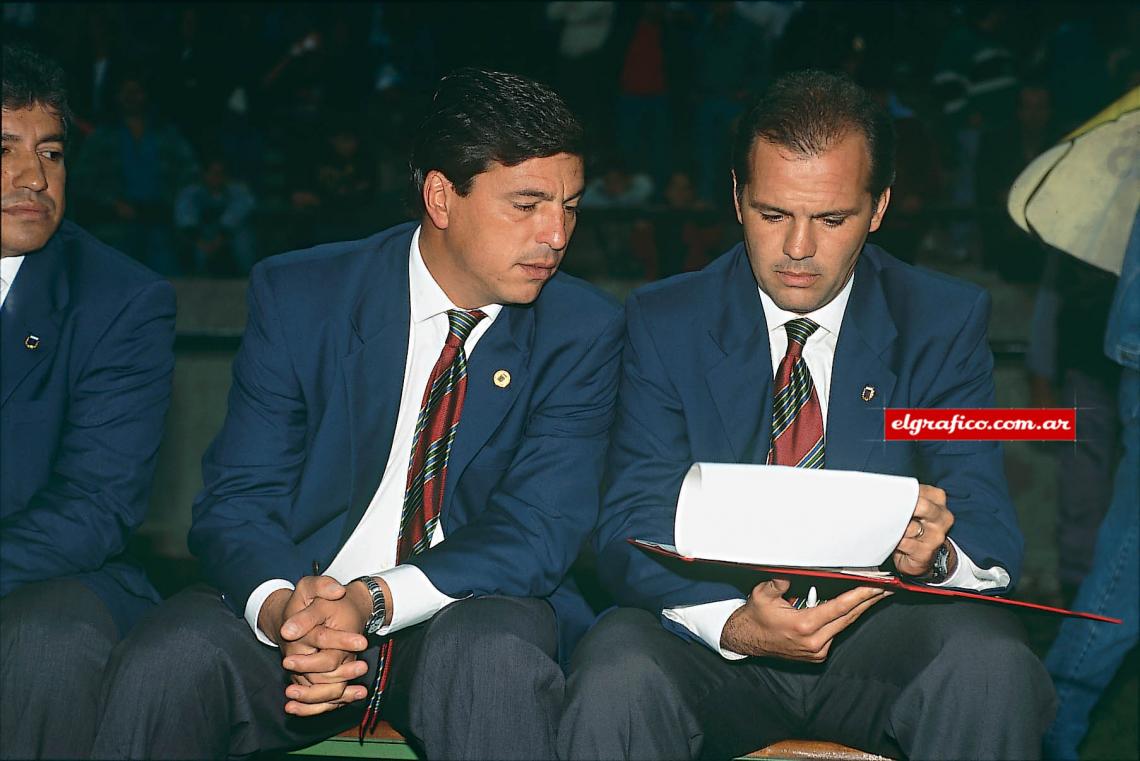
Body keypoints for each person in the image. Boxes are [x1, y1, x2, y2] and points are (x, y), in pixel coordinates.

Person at [92, 68, 622, 760]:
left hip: (465, 610)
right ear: (441, 196)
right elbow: (236, 502)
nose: (556, 234)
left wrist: (373, 601)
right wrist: (287, 613)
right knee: (169, 657)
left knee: (492, 660)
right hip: (304, 603)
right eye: (526, 205)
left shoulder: (581, 328)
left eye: (571, 206)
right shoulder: (303, 296)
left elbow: (538, 530)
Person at [560, 70, 1054, 760]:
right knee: (616, 666)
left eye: (830, 219)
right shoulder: (665, 320)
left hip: (879, 637)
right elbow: (627, 523)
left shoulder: (938, 320)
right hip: (713, 637)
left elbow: (985, 518)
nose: (797, 248)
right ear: (737, 198)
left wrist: (938, 553)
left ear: (878, 208)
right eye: (772, 214)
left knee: (991, 663)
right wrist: (732, 621)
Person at [0, 45, 175, 760]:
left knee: (51, 640)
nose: (34, 177)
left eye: (52, 152)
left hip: (55, 576)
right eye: (3, 149)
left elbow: (96, 506)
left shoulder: (120, 299)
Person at [1043, 210, 1139, 760]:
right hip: (1108, 372)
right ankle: (1050, 732)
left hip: (1116, 372)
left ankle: (1051, 729)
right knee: (1123, 575)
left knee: (1122, 572)